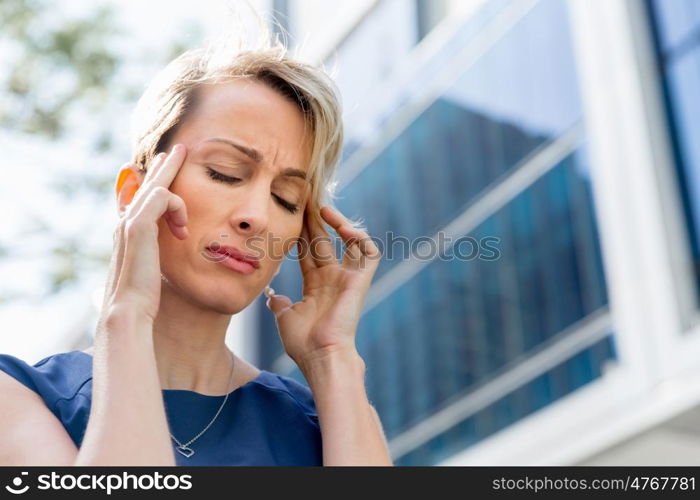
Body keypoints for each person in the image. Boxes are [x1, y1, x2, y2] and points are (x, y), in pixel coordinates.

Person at [0, 9, 391, 466]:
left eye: (285, 198)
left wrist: (331, 356)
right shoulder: (24, 399)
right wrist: (125, 316)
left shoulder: (325, 422)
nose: (256, 217)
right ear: (135, 194)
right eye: (225, 173)